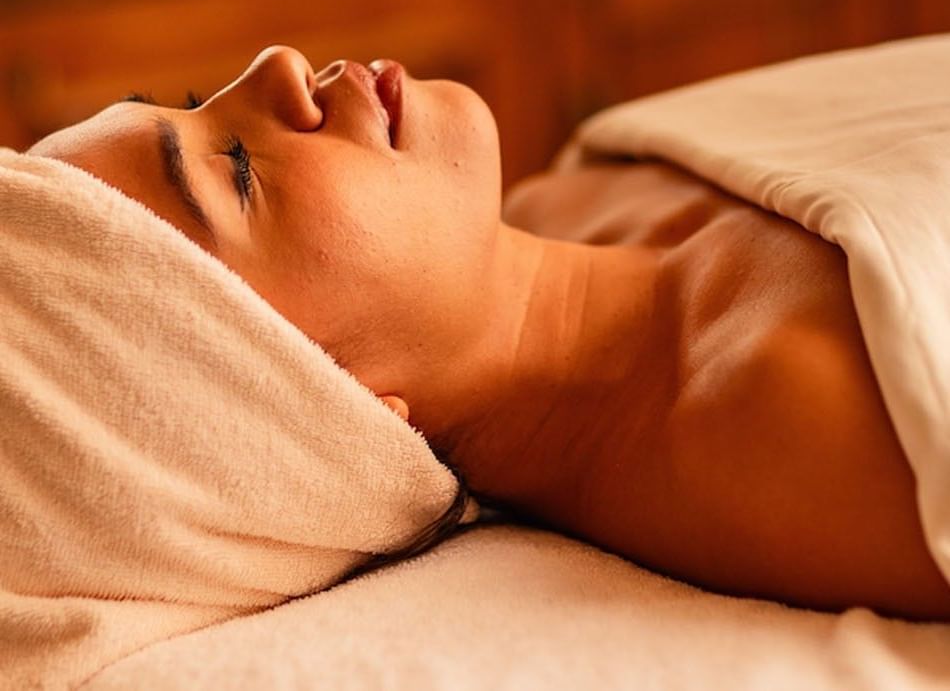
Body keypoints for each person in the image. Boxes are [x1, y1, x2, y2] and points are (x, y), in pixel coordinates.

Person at [28, 44, 950, 622]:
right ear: (325, 410)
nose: (274, 63)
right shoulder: (780, 418)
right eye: (235, 169)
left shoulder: (570, 198)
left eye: (194, 98)